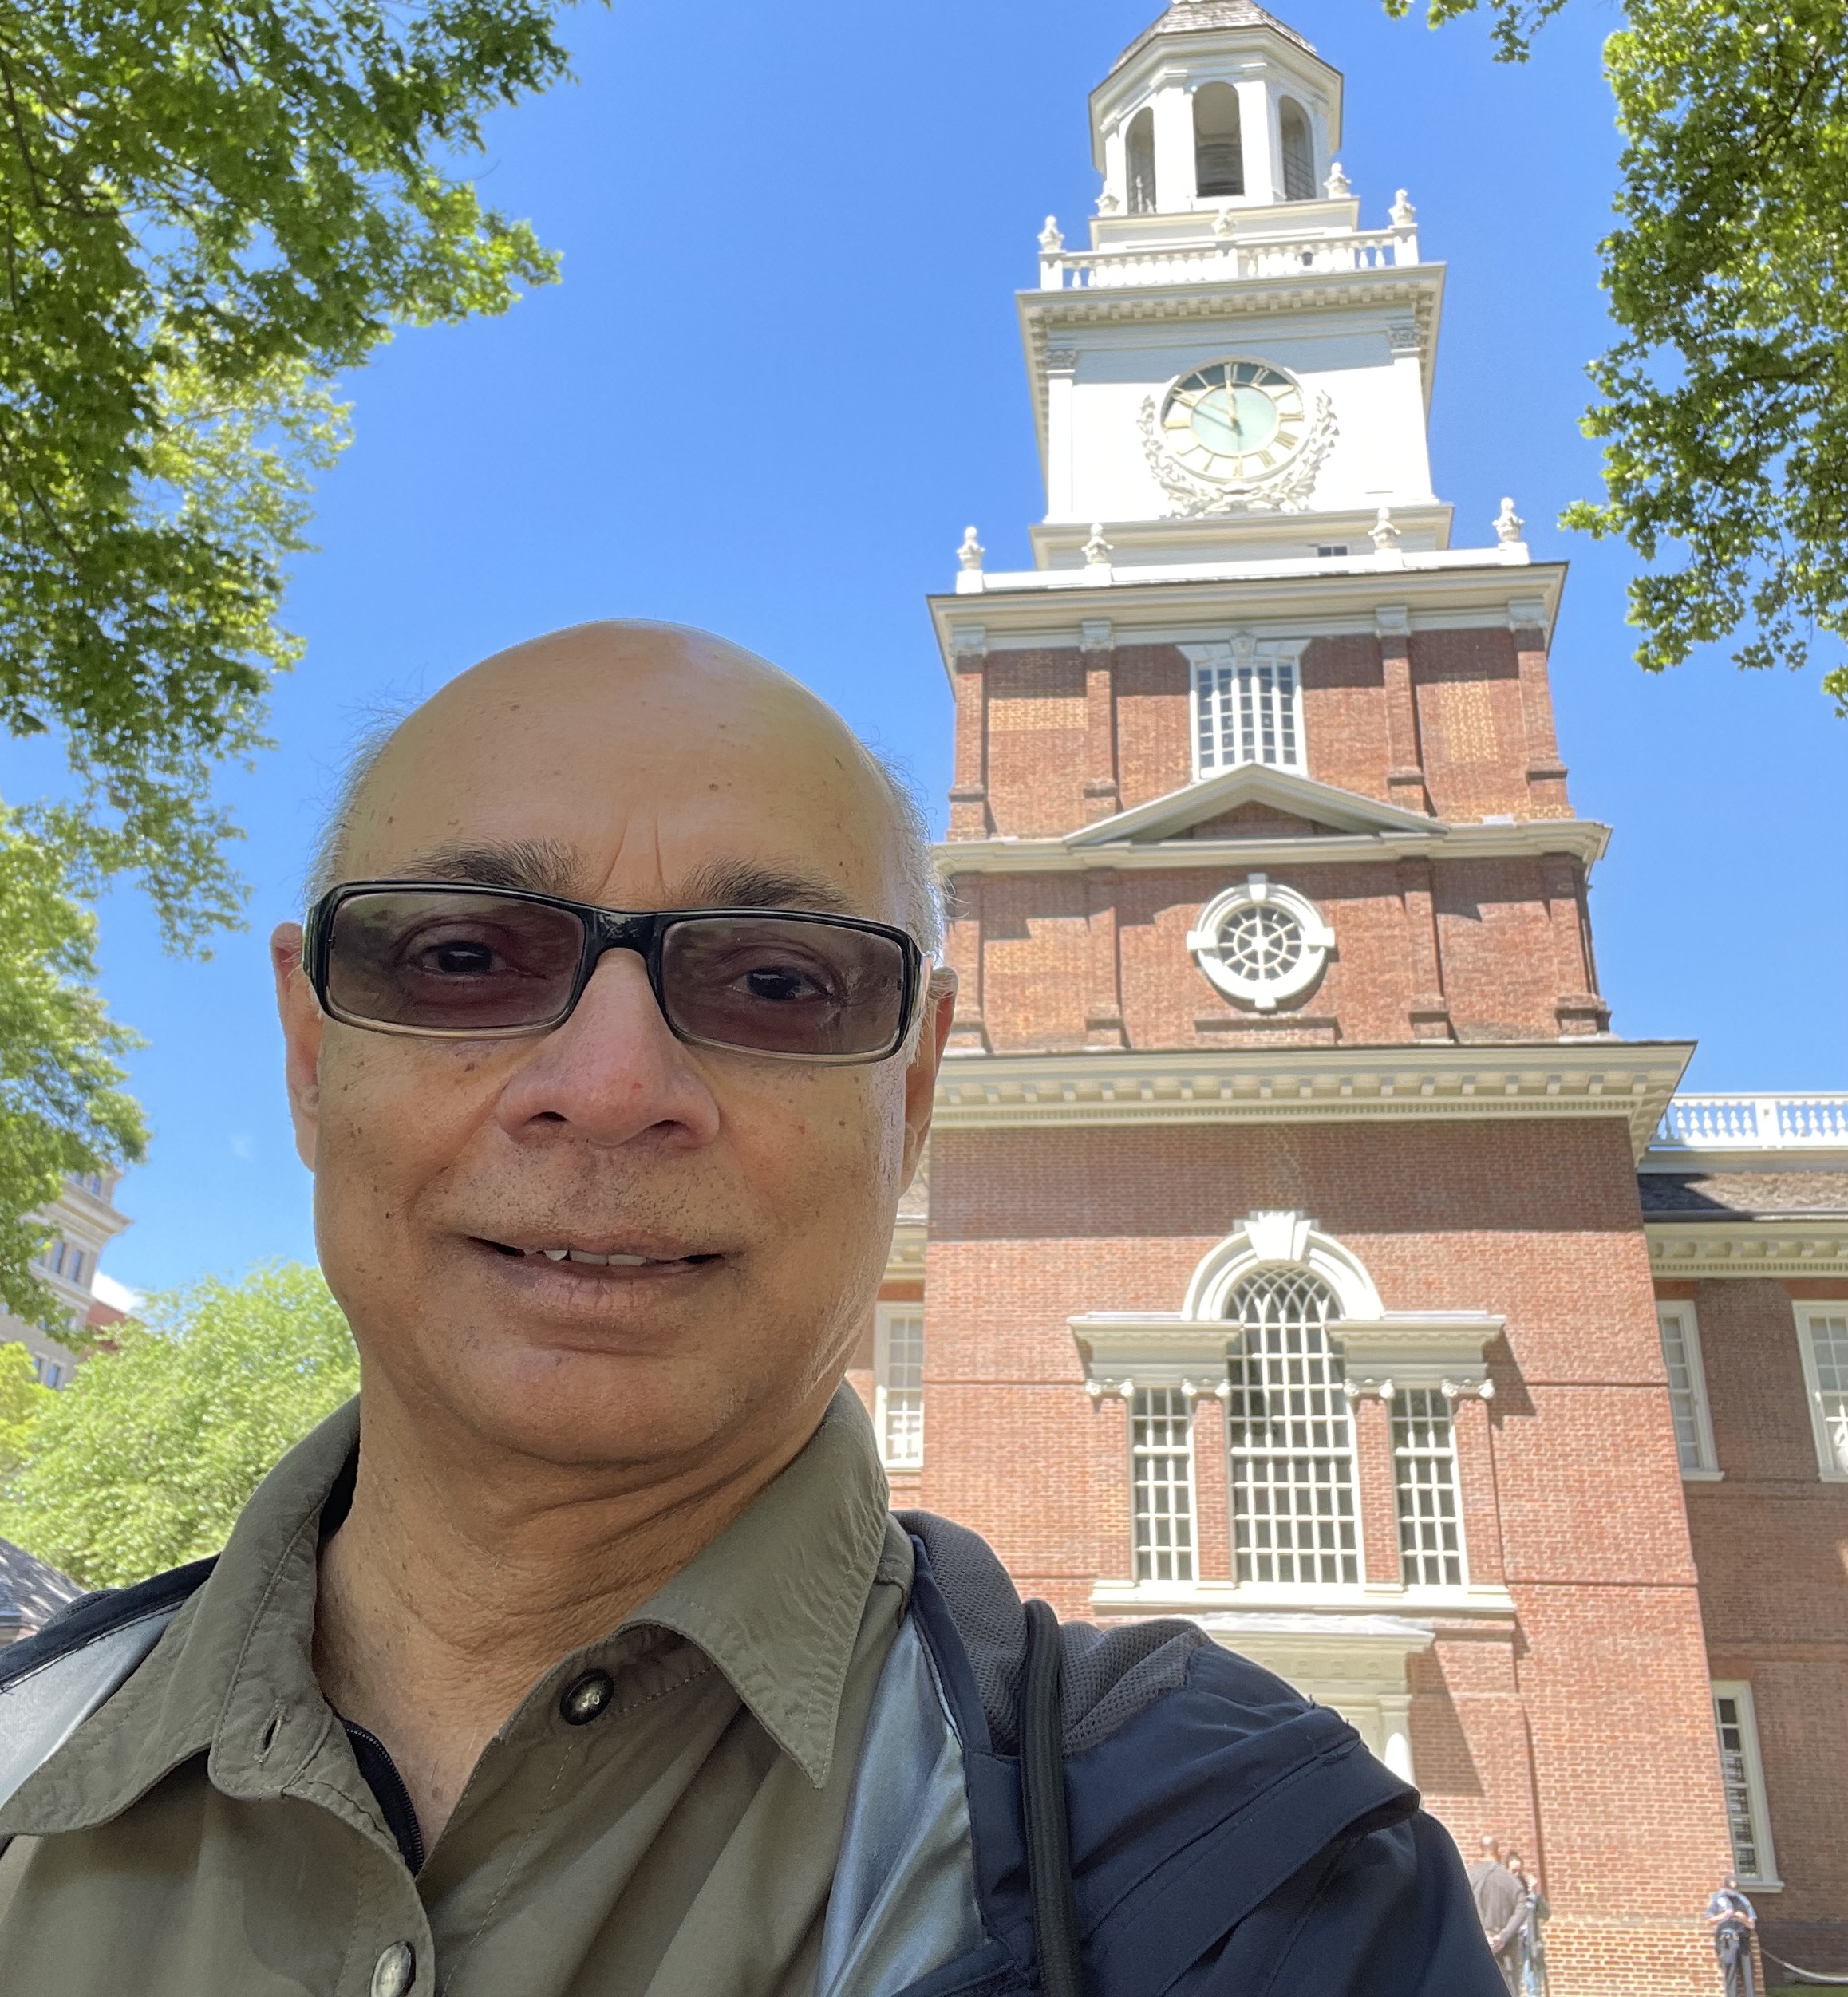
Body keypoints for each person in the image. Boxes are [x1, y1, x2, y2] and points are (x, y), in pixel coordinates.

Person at [0, 624, 1506, 1994]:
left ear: (909, 1099)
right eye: (464, 955)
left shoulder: (1260, 1883)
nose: (609, 1088)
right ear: (309, 1051)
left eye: (780, 983)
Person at [1467, 1831, 1527, 1990]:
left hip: (1476, 1947)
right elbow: (1523, 1908)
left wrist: (1481, 1935)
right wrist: (1503, 1936)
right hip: (1506, 1950)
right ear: (1497, 1851)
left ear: (1481, 1850)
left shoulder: (1468, 1876)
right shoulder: (1510, 1879)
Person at [1503, 1849, 1549, 1997]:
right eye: (1513, 1871)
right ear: (1507, 1870)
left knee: (1533, 1985)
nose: (1517, 1875)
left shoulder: (1528, 1891)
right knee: (1512, 1985)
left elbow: (1546, 1914)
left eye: (1519, 1871)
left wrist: (1534, 1892)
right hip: (1511, 1943)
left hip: (1529, 1944)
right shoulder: (1504, 1890)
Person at [1708, 1875, 1759, 1997]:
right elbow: (1709, 1921)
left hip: (1743, 1938)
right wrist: (1723, 1916)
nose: (1733, 1893)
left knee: (1748, 1973)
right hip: (1727, 1940)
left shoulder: (1743, 1900)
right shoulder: (1717, 1899)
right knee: (1730, 1974)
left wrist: (1744, 1918)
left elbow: (1752, 1925)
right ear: (1724, 1887)